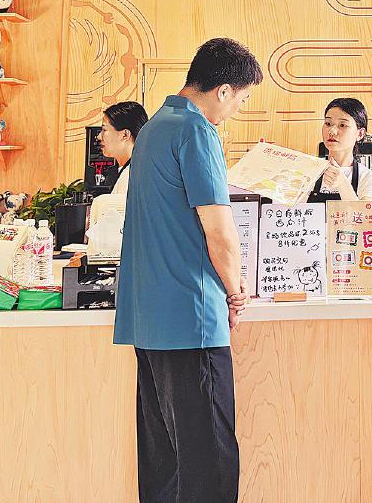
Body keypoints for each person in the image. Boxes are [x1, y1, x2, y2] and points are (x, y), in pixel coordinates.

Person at [114, 37, 263, 503]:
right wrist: (237, 291)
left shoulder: (155, 127)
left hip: (150, 320)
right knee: (209, 464)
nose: (235, 110)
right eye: (240, 99)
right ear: (223, 90)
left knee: (165, 467)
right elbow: (219, 230)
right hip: (191, 319)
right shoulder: (197, 131)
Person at [308, 97, 372, 202]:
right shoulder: (308, 173)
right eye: (328, 123)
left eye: (342, 125)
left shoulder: (369, 178)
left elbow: (366, 212)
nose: (332, 131)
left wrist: (343, 184)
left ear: (360, 134)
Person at [98, 100, 149, 198]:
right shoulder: (136, 170)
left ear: (125, 134)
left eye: (104, 130)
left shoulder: (131, 177)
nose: (99, 136)